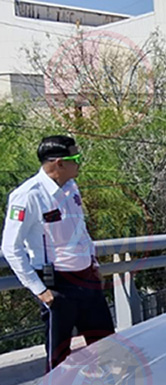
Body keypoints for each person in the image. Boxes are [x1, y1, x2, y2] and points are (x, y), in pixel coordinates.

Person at [2, 135, 114, 371]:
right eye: (76, 158)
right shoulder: (28, 195)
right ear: (58, 163)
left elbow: (80, 230)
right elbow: (11, 248)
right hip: (58, 284)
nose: (80, 163)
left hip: (87, 278)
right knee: (59, 356)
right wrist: (40, 290)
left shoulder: (71, 187)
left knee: (106, 345)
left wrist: (93, 264)